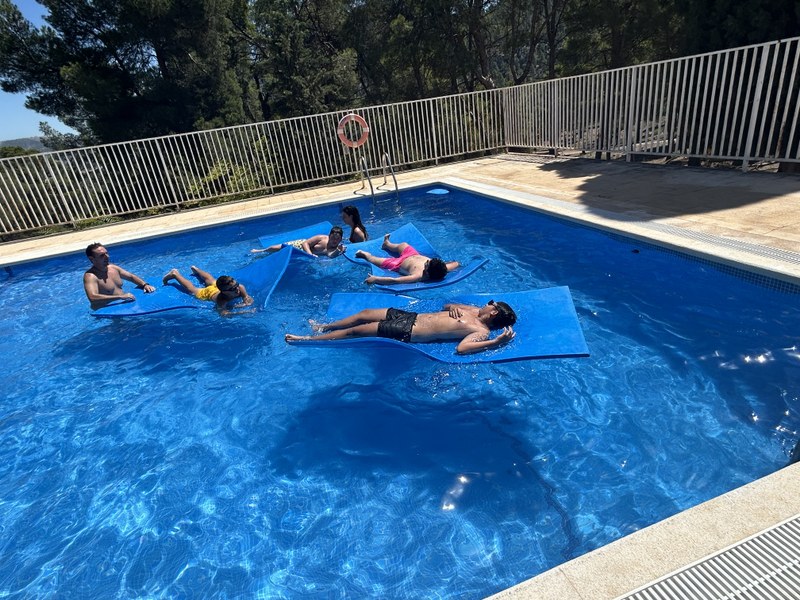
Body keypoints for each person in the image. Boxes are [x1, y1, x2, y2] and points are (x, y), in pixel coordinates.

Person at [285, 300, 517, 355]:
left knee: (355, 332)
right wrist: (454, 307)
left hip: (410, 331)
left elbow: (462, 349)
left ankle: (307, 339)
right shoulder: (473, 309)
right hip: (412, 316)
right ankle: (324, 327)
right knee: (364, 314)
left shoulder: (482, 331)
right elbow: (446, 304)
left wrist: (496, 342)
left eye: (491, 304)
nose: (488, 303)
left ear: (494, 312)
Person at [355, 233, 460, 285]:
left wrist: (376, 279)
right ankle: (387, 244)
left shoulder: (418, 275)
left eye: (427, 264)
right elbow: (456, 263)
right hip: (412, 254)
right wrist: (457, 265)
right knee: (403, 245)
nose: (426, 262)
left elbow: (396, 280)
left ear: (428, 272)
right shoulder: (442, 268)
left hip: (397, 263)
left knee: (375, 260)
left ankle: (366, 255)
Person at [83, 242, 156, 309]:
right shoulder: (91, 276)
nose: (107, 256)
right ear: (92, 259)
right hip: (106, 312)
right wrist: (120, 296)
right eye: (102, 255)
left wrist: (145, 285)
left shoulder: (113, 268)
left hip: (122, 306)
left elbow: (131, 277)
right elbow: (92, 297)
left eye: (106, 253)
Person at [162, 266, 253, 313]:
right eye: (233, 288)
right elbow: (223, 313)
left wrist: (247, 301)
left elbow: (247, 298)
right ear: (224, 292)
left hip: (219, 287)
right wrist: (242, 311)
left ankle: (196, 269)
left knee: (211, 280)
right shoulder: (221, 300)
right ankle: (175, 274)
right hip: (210, 292)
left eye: (236, 284)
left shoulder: (240, 287)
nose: (237, 288)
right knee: (192, 289)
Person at [251, 226, 346, 258]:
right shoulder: (321, 238)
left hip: (305, 255)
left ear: (341, 239)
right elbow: (305, 243)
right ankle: (261, 251)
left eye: (337, 239)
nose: (335, 240)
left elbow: (330, 255)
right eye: (333, 238)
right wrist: (310, 255)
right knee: (275, 248)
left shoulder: (335, 248)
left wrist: (338, 250)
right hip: (300, 246)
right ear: (329, 236)